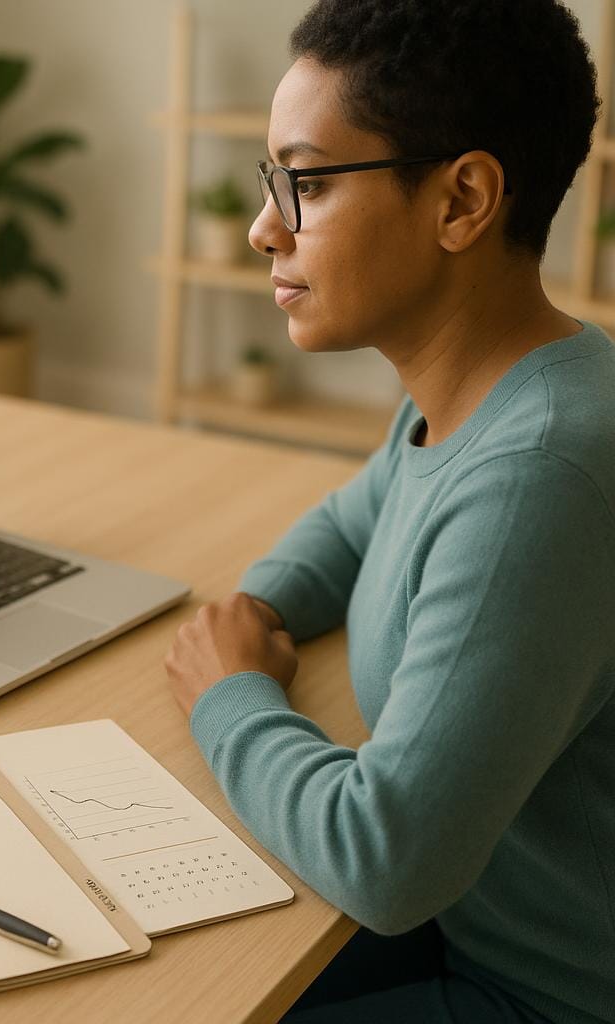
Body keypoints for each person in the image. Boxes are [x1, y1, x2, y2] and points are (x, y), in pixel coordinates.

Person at [163, 2, 615, 1022]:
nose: (261, 226)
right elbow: (359, 515)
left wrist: (228, 694)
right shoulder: (479, 392)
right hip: (463, 925)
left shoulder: (536, 476)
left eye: (307, 183)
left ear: (461, 200)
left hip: (532, 989)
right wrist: (262, 611)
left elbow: (383, 860)